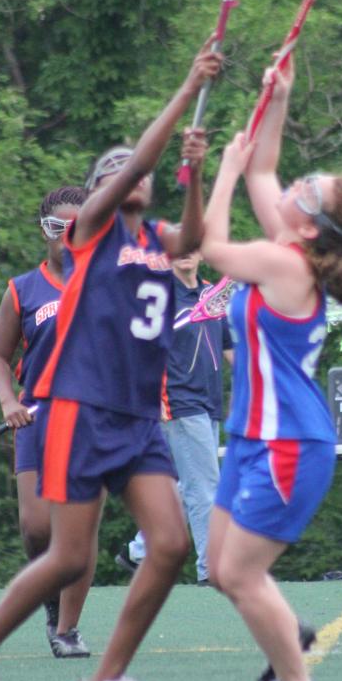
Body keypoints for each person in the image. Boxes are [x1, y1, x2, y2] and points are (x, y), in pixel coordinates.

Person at [0, 37, 222, 681]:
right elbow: (141, 158)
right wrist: (188, 85)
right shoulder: (93, 232)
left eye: (133, 169)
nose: (130, 172)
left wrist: (196, 173)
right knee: (68, 554)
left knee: (171, 543)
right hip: (82, 406)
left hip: (137, 415)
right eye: (113, 168)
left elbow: (194, 237)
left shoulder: (155, 240)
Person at [200, 56, 342, 681]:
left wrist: (222, 172)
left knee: (238, 574)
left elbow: (210, 246)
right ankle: (289, 636)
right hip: (251, 435)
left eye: (308, 189)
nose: (296, 182)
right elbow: (265, 170)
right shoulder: (293, 244)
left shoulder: (284, 262)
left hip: (289, 442)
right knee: (220, 567)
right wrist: (278, 97)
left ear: (309, 227)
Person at [0, 186, 95, 658]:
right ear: (43, 231)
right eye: (57, 228)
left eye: (78, 229)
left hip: (90, 421)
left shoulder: (106, 286)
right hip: (35, 419)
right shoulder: (23, 289)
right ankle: (52, 602)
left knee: (80, 528)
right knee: (36, 528)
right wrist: (7, 400)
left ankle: (67, 630)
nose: (67, 237)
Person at [116, 249, 233, 583]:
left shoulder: (212, 294)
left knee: (189, 483)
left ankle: (139, 550)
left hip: (209, 401)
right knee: (205, 486)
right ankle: (211, 569)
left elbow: (230, 347)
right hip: (179, 401)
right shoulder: (159, 296)